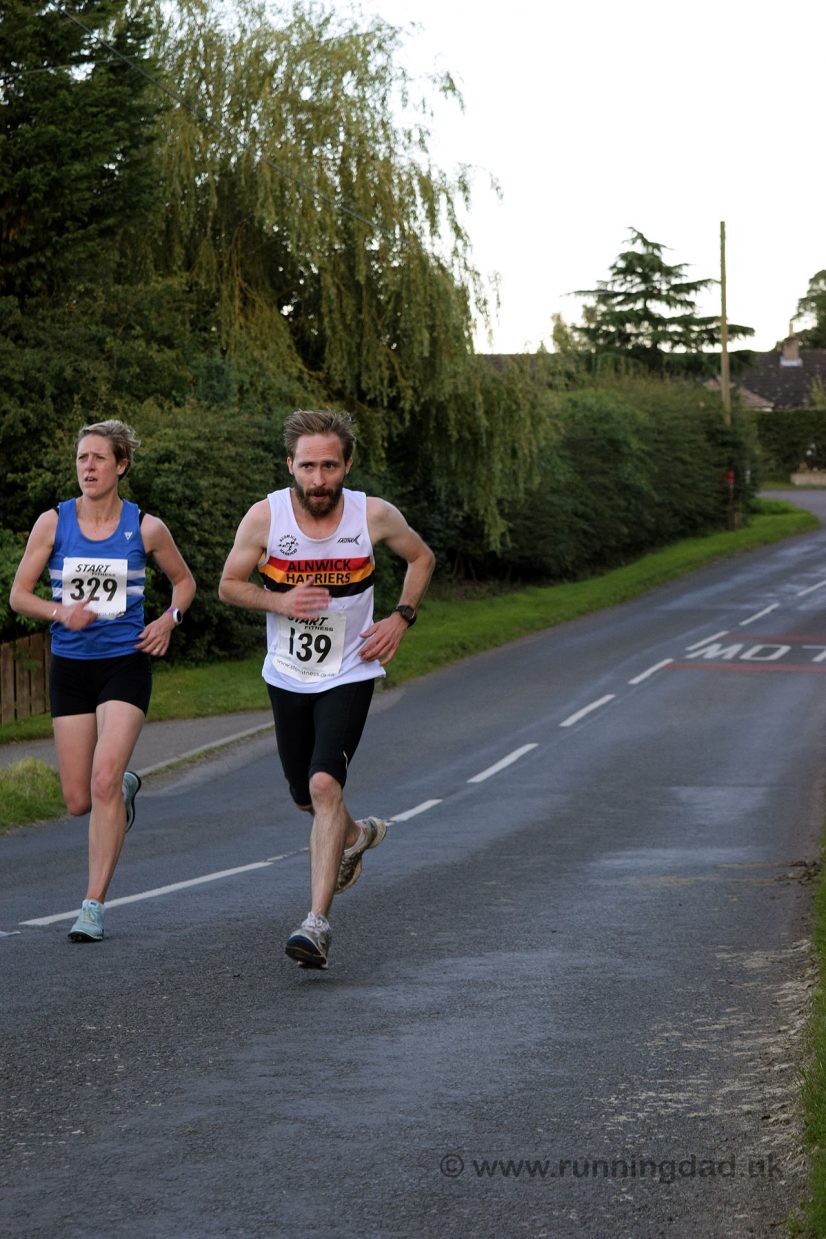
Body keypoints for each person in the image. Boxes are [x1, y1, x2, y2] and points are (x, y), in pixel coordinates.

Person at [219, 409, 435, 970]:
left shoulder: (374, 515)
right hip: (287, 673)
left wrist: (400, 618)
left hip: (351, 669)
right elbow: (228, 585)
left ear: (347, 465)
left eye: (329, 466)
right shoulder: (265, 518)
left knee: (322, 785)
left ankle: (315, 925)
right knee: (303, 795)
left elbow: (421, 557)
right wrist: (280, 601)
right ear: (290, 464)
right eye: (308, 466)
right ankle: (356, 834)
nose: (318, 479)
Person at [9, 419, 196, 943]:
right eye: (81, 458)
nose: (88, 467)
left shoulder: (146, 528)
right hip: (70, 665)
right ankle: (124, 788)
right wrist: (59, 612)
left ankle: (92, 905)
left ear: (121, 465)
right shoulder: (53, 523)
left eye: (98, 458)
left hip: (124, 662)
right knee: (77, 800)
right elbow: (19, 596)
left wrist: (167, 621)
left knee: (102, 779)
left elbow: (184, 583)